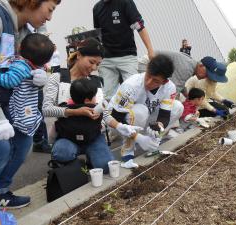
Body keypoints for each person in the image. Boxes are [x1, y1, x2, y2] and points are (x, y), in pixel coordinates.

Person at [0, 0, 61, 209]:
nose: (49, 17)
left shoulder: (23, 30)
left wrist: (39, 76)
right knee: (2, 149)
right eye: (49, 9)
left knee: (24, 145)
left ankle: (0, 192)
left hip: (9, 101)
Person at [43, 38, 142, 173]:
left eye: (98, 64)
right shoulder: (58, 77)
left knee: (105, 166)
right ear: (78, 55)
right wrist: (75, 112)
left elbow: (104, 110)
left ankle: (91, 158)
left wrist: (115, 122)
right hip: (67, 135)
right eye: (91, 62)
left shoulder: (96, 82)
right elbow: (46, 109)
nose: (94, 68)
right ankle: (76, 166)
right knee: (62, 154)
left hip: (93, 135)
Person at [108, 54, 184, 168]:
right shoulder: (131, 85)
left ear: (164, 82)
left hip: (142, 119)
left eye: (156, 81)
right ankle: (128, 150)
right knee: (140, 111)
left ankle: (153, 141)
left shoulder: (169, 88)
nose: (148, 82)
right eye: (148, 76)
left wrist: (159, 125)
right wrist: (138, 138)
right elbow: (116, 117)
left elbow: (165, 114)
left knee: (178, 106)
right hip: (116, 122)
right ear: (147, 68)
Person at [93, 0, 154, 101]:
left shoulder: (126, 2)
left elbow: (139, 26)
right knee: (107, 96)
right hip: (106, 59)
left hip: (127, 57)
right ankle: (109, 116)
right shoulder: (97, 8)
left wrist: (150, 50)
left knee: (133, 93)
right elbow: (97, 34)